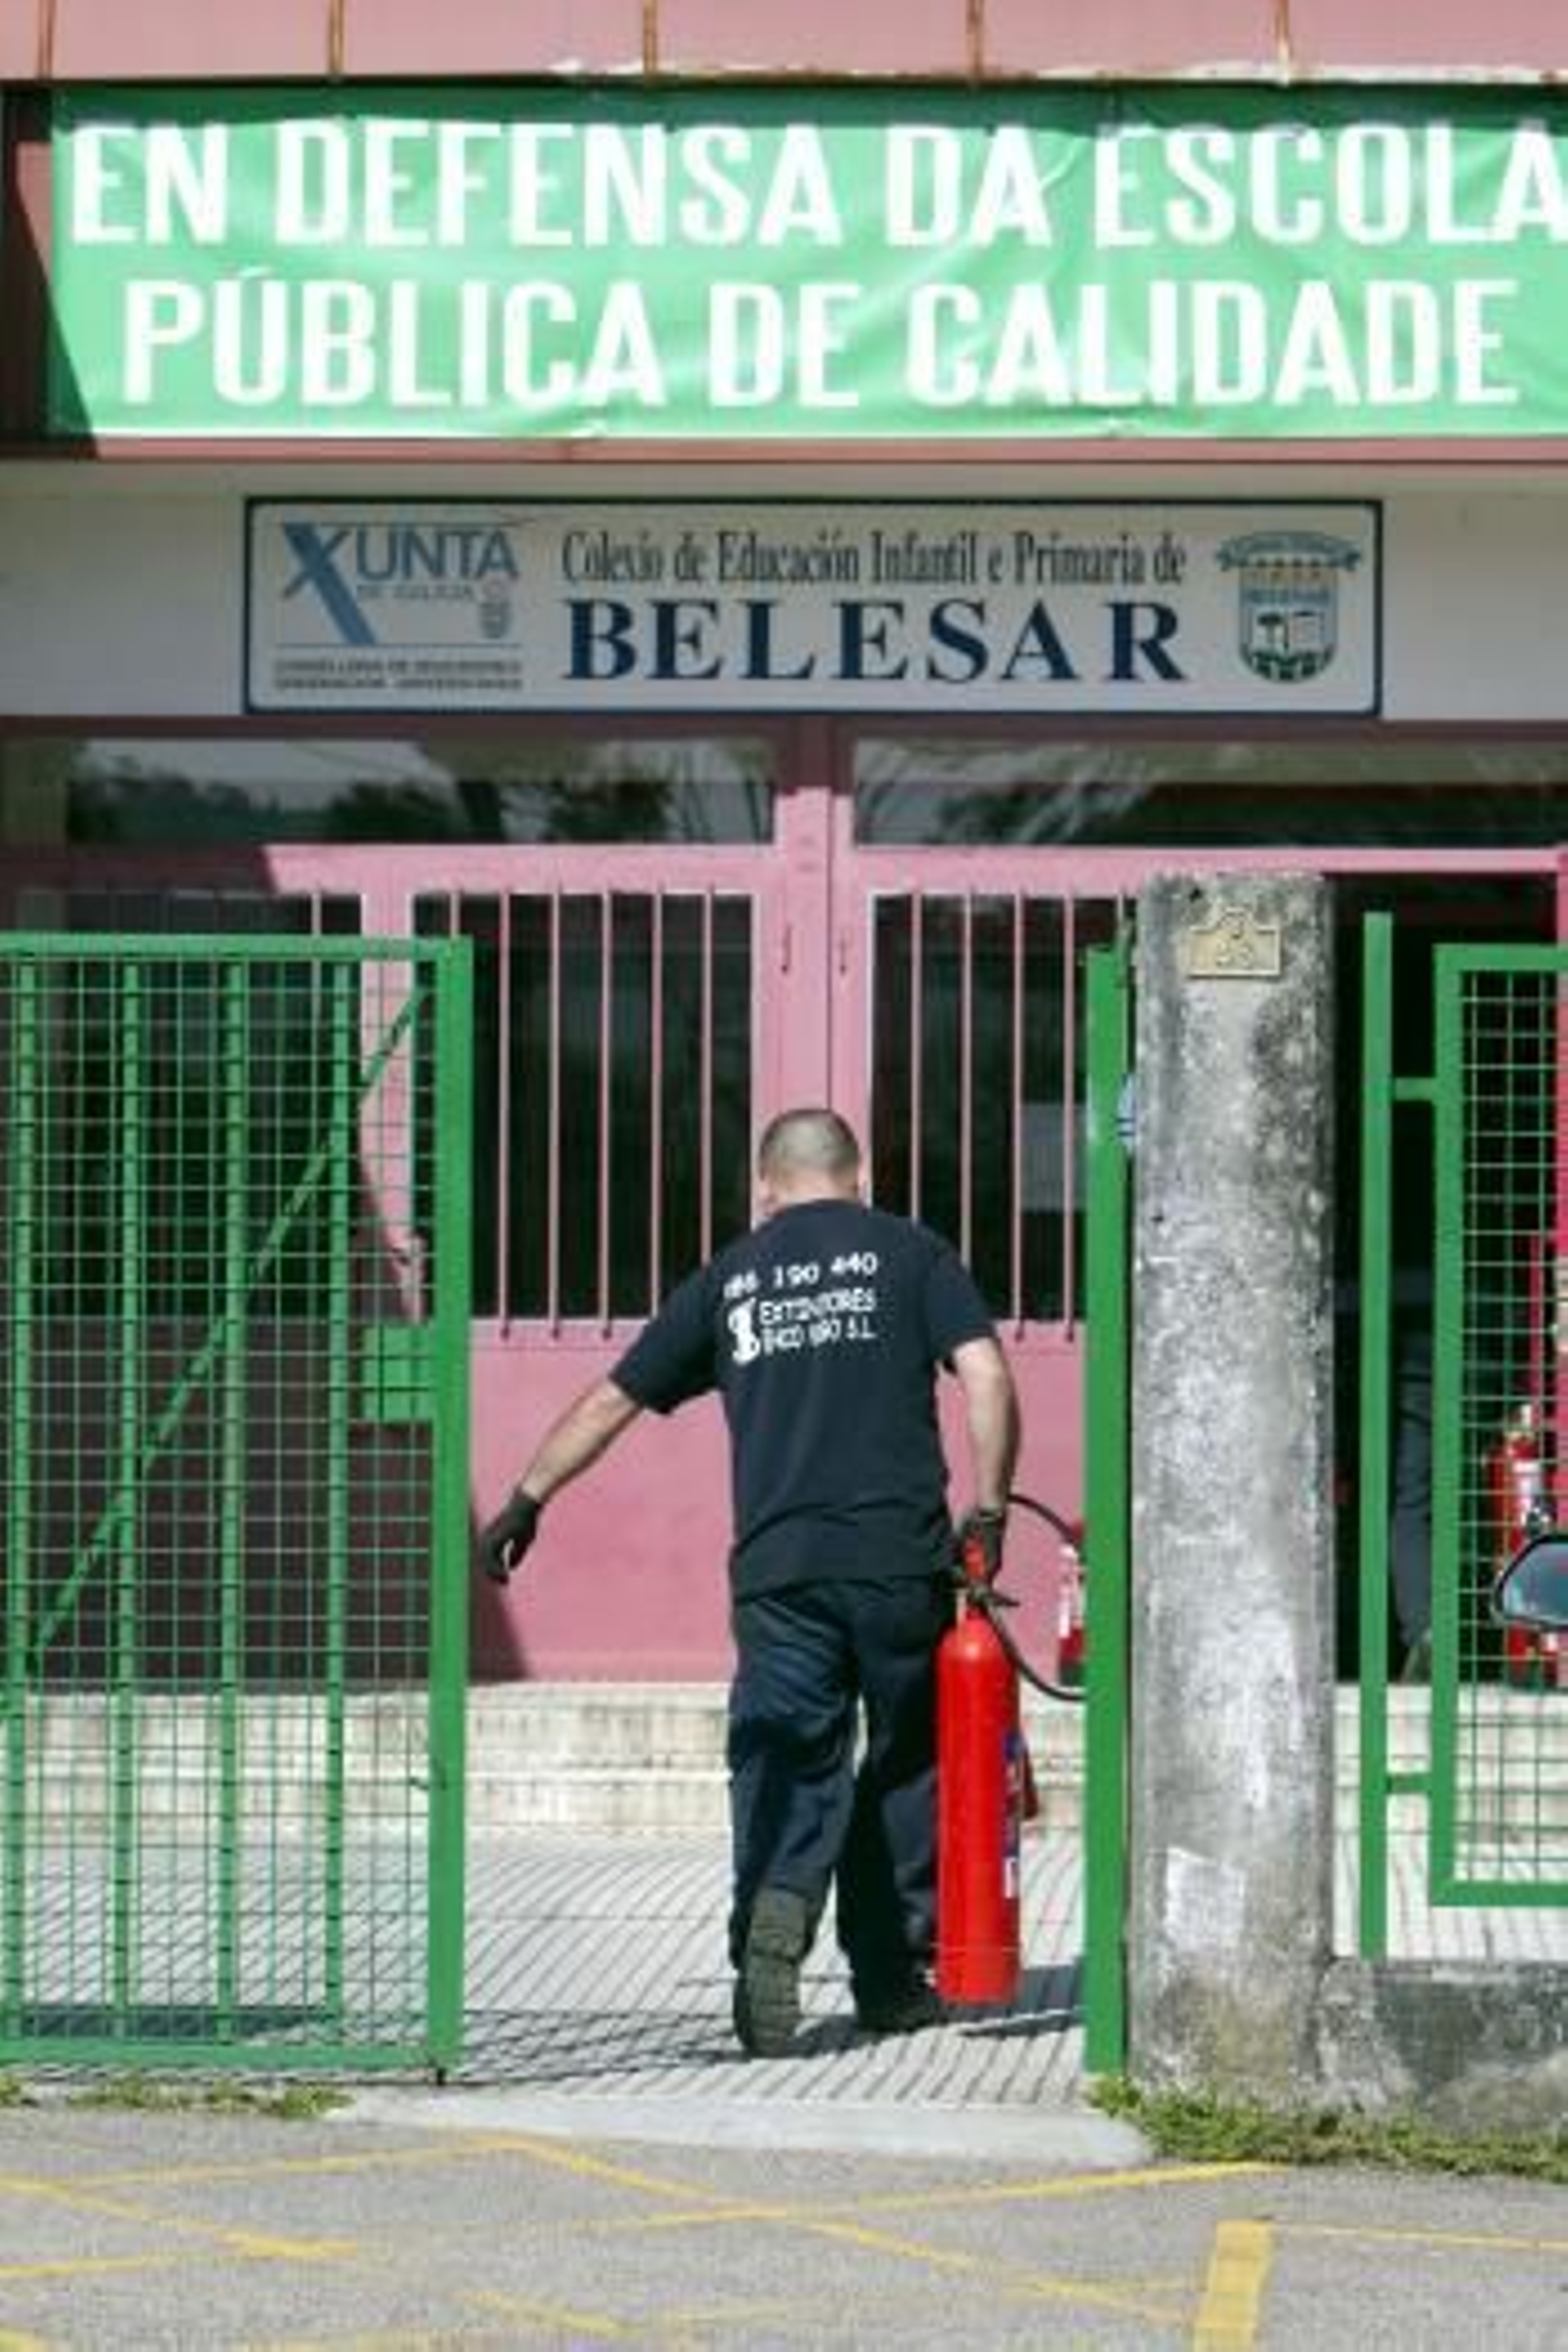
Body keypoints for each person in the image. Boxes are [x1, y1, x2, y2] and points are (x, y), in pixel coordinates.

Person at [478, 1105, 1020, 2058]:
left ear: (764, 1188)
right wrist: (990, 1510)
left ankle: (773, 1914)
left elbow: (615, 1397)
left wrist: (527, 1496)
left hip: (778, 1573)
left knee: (786, 1758)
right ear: (861, 1177)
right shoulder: (912, 1254)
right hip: (899, 1562)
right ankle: (890, 1978)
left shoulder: (731, 1277)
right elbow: (984, 1375)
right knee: (902, 1762)